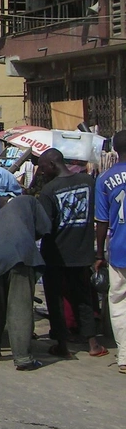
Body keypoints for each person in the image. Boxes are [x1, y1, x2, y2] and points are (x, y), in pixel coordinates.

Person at [38, 148, 107, 358]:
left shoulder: (49, 191)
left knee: (55, 299)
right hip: (82, 252)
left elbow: (43, 225)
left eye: (42, 168)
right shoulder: (88, 181)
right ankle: (93, 344)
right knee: (83, 298)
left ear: (52, 164)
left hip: (55, 254)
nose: (41, 172)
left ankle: (62, 344)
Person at [0, 193, 51, 370]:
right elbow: (45, 228)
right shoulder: (30, 201)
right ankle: (23, 358)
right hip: (20, 255)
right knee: (20, 307)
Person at [95, 130, 126, 375]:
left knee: (118, 302)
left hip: (118, 250)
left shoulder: (104, 179)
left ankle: (124, 357)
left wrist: (98, 254)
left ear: (114, 150)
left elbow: (101, 222)